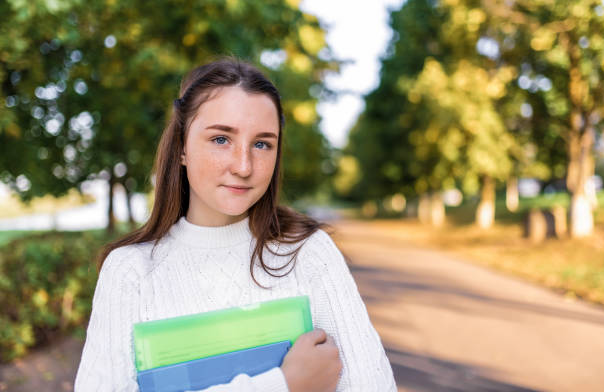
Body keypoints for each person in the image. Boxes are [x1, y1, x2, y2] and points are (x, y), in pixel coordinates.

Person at [74, 58, 397, 391]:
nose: (243, 166)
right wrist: (284, 384)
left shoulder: (307, 254)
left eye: (262, 144)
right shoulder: (131, 272)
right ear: (182, 148)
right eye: (221, 140)